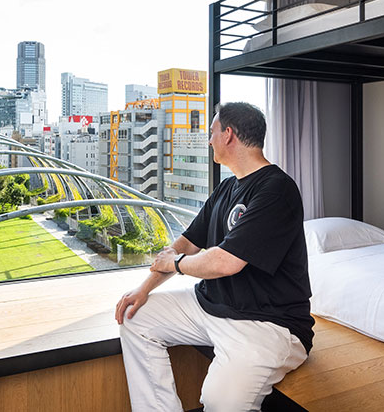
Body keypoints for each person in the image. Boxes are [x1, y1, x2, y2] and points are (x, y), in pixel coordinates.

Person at [115, 102, 314, 412]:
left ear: (228, 135)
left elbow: (225, 261)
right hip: (210, 306)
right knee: (135, 317)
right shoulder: (226, 188)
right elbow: (184, 244)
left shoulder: (277, 190)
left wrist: (176, 265)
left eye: (212, 133)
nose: (209, 140)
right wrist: (144, 289)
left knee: (220, 401)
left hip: (267, 322)